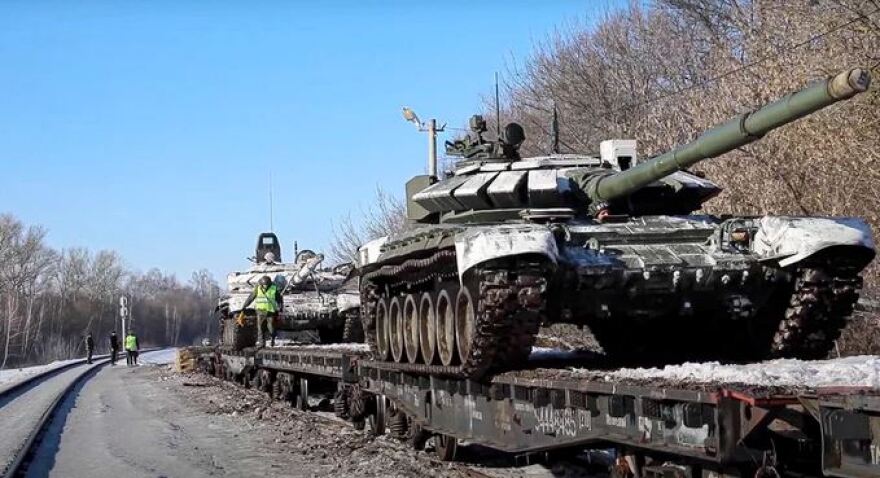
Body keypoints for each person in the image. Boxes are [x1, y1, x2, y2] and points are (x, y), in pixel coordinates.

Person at [240, 275, 283, 347]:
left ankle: (272, 338)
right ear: (261, 284)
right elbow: (251, 297)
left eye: (266, 285)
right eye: (264, 285)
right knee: (260, 328)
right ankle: (261, 343)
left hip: (270, 311)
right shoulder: (258, 288)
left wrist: (280, 307)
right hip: (260, 311)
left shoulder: (273, 288)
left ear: (269, 284)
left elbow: (279, 299)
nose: (265, 286)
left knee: (271, 327)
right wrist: (245, 305)